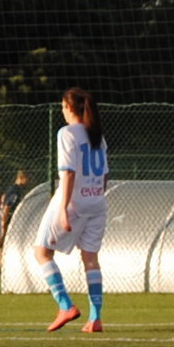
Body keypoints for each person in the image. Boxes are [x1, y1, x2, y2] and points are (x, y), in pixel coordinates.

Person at [34, 87, 109, 333]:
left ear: (69, 108)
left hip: (74, 201)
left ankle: (65, 305)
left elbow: (68, 172)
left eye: (63, 107)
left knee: (42, 251)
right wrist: (96, 195)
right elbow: (105, 175)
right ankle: (95, 317)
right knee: (90, 258)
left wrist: (63, 209)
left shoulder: (67, 133)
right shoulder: (98, 135)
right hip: (97, 201)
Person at [0, 169, 30, 292]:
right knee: (2, 261)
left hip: (9, 229)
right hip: (5, 230)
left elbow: (3, 200)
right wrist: (2, 232)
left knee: (5, 261)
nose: (29, 181)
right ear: (22, 178)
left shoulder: (11, 189)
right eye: (28, 178)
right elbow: (6, 209)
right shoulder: (15, 191)